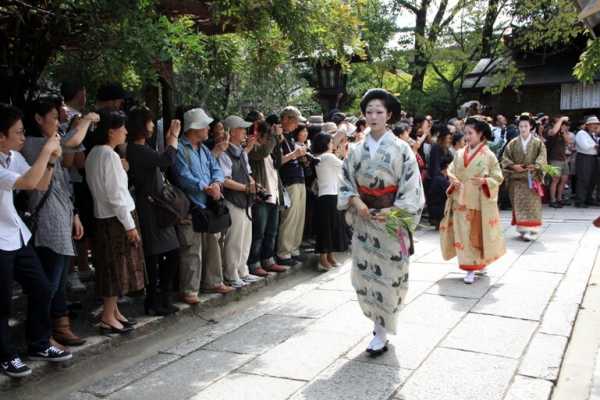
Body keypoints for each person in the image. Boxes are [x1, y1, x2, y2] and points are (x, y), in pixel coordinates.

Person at [339, 89, 425, 355]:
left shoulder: (402, 149)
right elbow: (345, 183)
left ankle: (382, 330)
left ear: (389, 115)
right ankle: (378, 329)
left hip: (391, 222)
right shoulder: (354, 150)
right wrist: (357, 202)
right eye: (369, 111)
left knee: (390, 276)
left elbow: (412, 187)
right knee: (365, 275)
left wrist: (394, 210)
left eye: (379, 111)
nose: (373, 116)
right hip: (365, 220)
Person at [0, 104, 73, 378]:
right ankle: (7, 357)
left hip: (16, 235)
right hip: (0, 240)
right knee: (3, 303)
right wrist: (46, 150)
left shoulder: (11, 156)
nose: (22, 137)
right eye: (17, 132)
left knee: (42, 288)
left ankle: (39, 344)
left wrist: (52, 159)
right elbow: (30, 183)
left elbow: (41, 183)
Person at [21, 99, 88, 347]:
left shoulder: (50, 144)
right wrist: (88, 121)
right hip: (47, 220)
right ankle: (45, 332)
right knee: (49, 280)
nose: (58, 122)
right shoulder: (33, 144)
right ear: (38, 119)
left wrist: (75, 213)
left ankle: (59, 326)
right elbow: (73, 141)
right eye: (54, 117)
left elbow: (63, 180)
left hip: (62, 215)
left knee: (58, 279)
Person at [85, 110, 145, 334]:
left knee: (110, 265)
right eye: (122, 128)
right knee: (114, 268)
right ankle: (108, 315)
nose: (126, 132)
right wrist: (130, 225)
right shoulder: (108, 155)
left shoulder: (95, 153)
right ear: (111, 131)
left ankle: (114, 312)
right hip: (115, 219)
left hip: (104, 216)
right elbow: (116, 193)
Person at [174, 108, 234, 304]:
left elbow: (216, 168)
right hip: (191, 205)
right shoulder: (181, 149)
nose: (208, 128)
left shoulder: (203, 149)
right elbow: (182, 176)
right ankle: (189, 289)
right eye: (205, 125)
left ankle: (213, 281)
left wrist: (216, 183)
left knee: (212, 244)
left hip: (207, 204)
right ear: (195, 127)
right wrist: (205, 187)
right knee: (192, 248)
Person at [126, 107, 181, 315]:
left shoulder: (140, 148)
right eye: (148, 122)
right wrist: (173, 138)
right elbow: (166, 160)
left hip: (155, 206)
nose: (151, 126)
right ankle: (154, 300)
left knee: (171, 252)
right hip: (148, 208)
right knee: (153, 256)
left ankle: (162, 297)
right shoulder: (136, 149)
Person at [440, 118, 506, 284]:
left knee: (476, 235)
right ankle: (470, 268)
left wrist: (484, 182)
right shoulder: (460, 153)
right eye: (466, 133)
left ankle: (478, 264)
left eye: (470, 133)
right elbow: (451, 170)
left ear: (480, 134)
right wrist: (453, 180)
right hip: (460, 200)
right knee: (462, 235)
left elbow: (498, 176)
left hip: (477, 201)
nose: (467, 137)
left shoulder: (488, 155)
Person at [218, 115, 260, 288]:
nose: (245, 132)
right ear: (233, 131)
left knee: (245, 237)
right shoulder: (224, 152)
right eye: (242, 129)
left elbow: (247, 172)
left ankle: (242, 270)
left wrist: (253, 183)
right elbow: (224, 180)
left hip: (244, 200)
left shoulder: (241, 152)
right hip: (232, 200)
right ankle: (231, 273)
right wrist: (245, 188)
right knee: (234, 239)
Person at [247, 121, 288, 277]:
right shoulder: (253, 149)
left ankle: (268, 260)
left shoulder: (269, 148)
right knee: (259, 232)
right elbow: (262, 152)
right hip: (261, 197)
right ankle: (254, 262)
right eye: (266, 136)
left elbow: (278, 163)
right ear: (260, 135)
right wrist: (274, 137)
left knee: (272, 231)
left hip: (274, 195)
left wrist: (277, 142)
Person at [501, 114, 548, 241]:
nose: (523, 128)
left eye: (525, 126)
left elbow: (542, 158)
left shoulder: (538, 143)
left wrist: (536, 165)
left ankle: (531, 229)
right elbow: (505, 159)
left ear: (531, 127)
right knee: (519, 205)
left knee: (532, 205)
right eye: (521, 126)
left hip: (532, 179)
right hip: (516, 180)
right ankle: (523, 229)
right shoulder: (513, 143)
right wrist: (513, 166)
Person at [276, 106, 308, 266]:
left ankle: (294, 248)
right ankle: (284, 252)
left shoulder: (289, 136)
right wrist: (294, 155)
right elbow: (277, 161)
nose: (297, 126)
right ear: (286, 119)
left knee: (298, 217)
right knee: (289, 218)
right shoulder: (277, 135)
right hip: (288, 180)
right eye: (295, 121)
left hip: (298, 178)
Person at [312, 133, 348, 271]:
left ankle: (330, 257)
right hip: (328, 196)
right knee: (327, 228)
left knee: (332, 227)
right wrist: (344, 153)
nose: (333, 144)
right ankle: (323, 259)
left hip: (330, 195)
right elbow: (345, 166)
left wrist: (341, 153)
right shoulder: (327, 157)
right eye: (331, 142)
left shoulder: (323, 157)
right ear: (326, 144)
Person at [427, 125, 454, 229]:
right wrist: (443, 175)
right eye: (448, 137)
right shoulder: (436, 148)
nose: (450, 139)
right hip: (437, 178)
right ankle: (438, 219)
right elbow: (435, 167)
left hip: (446, 175)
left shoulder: (446, 149)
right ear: (443, 137)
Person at [575, 116, 600, 208]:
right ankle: (580, 200)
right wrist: (595, 145)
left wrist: (595, 145)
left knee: (592, 179)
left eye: (597, 124)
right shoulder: (581, 133)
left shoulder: (593, 135)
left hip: (593, 157)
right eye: (594, 124)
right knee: (583, 179)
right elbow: (584, 146)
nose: (596, 126)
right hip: (584, 157)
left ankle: (588, 198)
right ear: (588, 125)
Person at [546, 116, 571, 208]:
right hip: (553, 159)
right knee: (555, 180)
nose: (563, 124)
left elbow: (568, 142)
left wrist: (563, 131)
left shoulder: (562, 132)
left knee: (564, 180)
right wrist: (560, 120)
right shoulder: (548, 129)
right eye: (561, 122)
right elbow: (552, 133)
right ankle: (552, 200)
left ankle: (559, 198)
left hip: (563, 159)